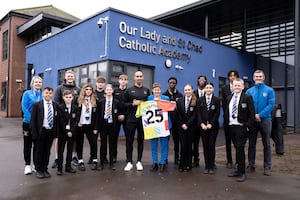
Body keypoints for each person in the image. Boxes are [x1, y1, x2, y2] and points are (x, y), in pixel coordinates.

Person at [246, 70, 275, 176]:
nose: (258, 78)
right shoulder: (249, 91)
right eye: (256, 76)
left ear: (264, 78)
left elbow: (271, 104)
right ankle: (251, 164)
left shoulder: (269, 90)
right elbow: (247, 106)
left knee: (266, 144)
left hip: (266, 120)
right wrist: (253, 116)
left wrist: (260, 115)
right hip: (252, 121)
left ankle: (267, 166)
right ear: (253, 78)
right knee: (251, 143)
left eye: (260, 76)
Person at [225, 78, 255, 182]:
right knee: (236, 148)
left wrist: (248, 126)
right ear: (232, 86)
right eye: (235, 85)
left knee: (240, 149)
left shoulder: (247, 97)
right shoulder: (230, 97)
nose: (236, 87)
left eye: (239, 85)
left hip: (241, 127)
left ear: (242, 87)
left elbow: (252, 113)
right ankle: (238, 170)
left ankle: (242, 172)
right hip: (231, 126)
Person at [123, 70, 150, 171]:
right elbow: (123, 104)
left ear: (143, 78)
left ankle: (139, 161)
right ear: (134, 78)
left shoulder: (146, 90)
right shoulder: (129, 90)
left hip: (143, 120)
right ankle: (129, 161)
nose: (139, 78)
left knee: (140, 141)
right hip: (131, 119)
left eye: (140, 76)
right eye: (137, 76)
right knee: (129, 141)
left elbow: (150, 104)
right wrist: (132, 104)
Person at [52, 70, 81, 168]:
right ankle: (57, 158)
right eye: (68, 76)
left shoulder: (78, 89)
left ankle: (73, 156)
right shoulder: (59, 88)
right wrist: (63, 113)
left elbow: (79, 103)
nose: (70, 78)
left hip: (73, 119)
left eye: (71, 76)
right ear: (65, 77)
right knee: (59, 139)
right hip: (61, 118)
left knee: (73, 139)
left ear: (74, 77)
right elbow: (56, 102)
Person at [30, 86, 59, 178]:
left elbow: (57, 120)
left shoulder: (55, 105)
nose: (48, 95)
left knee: (47, 151)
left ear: (52, 94)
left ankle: (45, 169)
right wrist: (34, 134)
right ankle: (38, 170)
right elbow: (33, 121)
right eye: (46, 93)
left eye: (50, 93)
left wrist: (56, 133)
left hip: (50, 132)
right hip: (40, 131)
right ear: (43, 94)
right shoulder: (37, 105)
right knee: (39, 151)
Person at [147, 83, 173, 172]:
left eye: (158, 90)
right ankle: (154, 163)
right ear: (152, 90)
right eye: (155, 89)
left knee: (164, 144)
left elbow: (169, 110)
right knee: (154, 145)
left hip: (164, 125)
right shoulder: (149, 98)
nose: (156, 91)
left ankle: (162, 162)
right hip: (153, 125)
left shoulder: (166, 98)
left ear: (160, 90)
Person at [96, 84, 122, 170]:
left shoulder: (117, 102)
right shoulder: (101, 102)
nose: (109, 91)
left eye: (110, 89)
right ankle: (102, 163)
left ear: (112, 91)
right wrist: (97, 127)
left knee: (112, 144)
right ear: (105, 91)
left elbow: (119, 112)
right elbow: (98, 114)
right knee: (103, 145)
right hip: (103, 125)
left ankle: (111, 163)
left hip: (112, 125)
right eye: (107, 90)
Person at [21, 76, 43, 175]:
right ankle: (27, 165)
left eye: (40, 82)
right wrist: (31, 121)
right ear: (32, 83)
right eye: (36, 82)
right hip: (27, 123)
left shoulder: (42, 95)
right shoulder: (27, 94)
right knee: (27, 144)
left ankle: (35, 164)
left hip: (38, 125)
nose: (38, 83)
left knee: (37, 145)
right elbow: (24, 107)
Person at [197, 82, 220, 174]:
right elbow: (198, 113)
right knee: (205, 146)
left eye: (210, 87)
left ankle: (211, 165)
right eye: (207, 88)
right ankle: (206, 166)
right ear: (204, 89)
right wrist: (202, 124)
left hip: (213, 127)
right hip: (203, 127)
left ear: (213, 89)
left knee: (211, 145)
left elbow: (217, 113)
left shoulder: (217, 99)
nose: (208, 89)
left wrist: (211, 123)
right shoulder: (200, 100)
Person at [76, 83, 98, 171]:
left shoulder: (95, 100)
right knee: (79, 143)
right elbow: (75, 112)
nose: (88, 91)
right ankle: (80, 161)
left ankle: (95, 160)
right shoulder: (78, 100)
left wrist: (96, 127)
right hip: (80, 125)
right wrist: (77, 122)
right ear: (83, 90)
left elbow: (97, 115)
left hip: (90, 125)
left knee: (93, 142)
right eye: (87, 89)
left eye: (90, 90)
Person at [56, 90, 79, 175]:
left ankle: (68, 166)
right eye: (66, 97)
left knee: (70, 150)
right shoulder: (60, 107)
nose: (68, 99)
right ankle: (59, 168)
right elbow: (60, 121)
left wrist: (71, 131)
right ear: (63, 98)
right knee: (60, 151)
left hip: (72, 133)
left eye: (70, 97)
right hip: (62, 133)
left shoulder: (75, 108)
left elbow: (77, 120)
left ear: (72, 98)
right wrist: (66, 131)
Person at [176, 84, 198, 172]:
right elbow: (178, 114)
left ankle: (188, 165)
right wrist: (182, 124)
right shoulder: (180, 100)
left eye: (189, 90)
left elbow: (195, 115)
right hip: (181, 127)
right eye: (186, 90)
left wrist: (188, 124)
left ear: (192, 90)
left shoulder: (196, 101)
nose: (187, 91)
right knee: (183, 145)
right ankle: (182, 164)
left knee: (189, 146)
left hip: (191, 127)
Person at [162, 77, 183, 165]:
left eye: (174, 83)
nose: (172, 84)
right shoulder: (164, 95)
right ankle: (165, 158)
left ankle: (176, 158)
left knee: (177, 141)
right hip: (166, 121)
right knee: (165, 141)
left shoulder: (180, 95)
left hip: (176, 122)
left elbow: (181, 108)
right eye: (170, 82)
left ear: (176, 84)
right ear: (168, 83)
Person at [221, 70, 239, 169]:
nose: (232, 77)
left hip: (237, 120)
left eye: (234, 76)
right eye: (231, 76)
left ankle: (238, 161)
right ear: (228, 77)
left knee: (237, 142)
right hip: (227, 119)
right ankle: (229, 160)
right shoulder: (224, 88)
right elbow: (224, 103)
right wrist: (227, 116)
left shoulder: (239, 88)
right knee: (228, 141)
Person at [113, 74, 128, 163]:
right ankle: (114, 156)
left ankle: (128, 157)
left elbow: (129, 105)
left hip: (126, 117)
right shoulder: (115, 91)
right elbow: (113, 104)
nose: (123, 81)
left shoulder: (129, 91)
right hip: (116, 117)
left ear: (127, 81)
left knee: (128, 138)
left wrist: (124, 115)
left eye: (125, 80)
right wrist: (118, 114)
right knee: (114, 138)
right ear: (119, 81)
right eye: (121, 79)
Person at [192, 75, 207, 167]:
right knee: (195, 142)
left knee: (207, 143)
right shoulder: (194, 92)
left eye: (203, 80)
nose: (201, 81)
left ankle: (209, 162)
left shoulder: (208, 91)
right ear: (198, 81)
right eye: (200, 80)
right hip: (195, 122)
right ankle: (195, 160)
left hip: (205, 122)